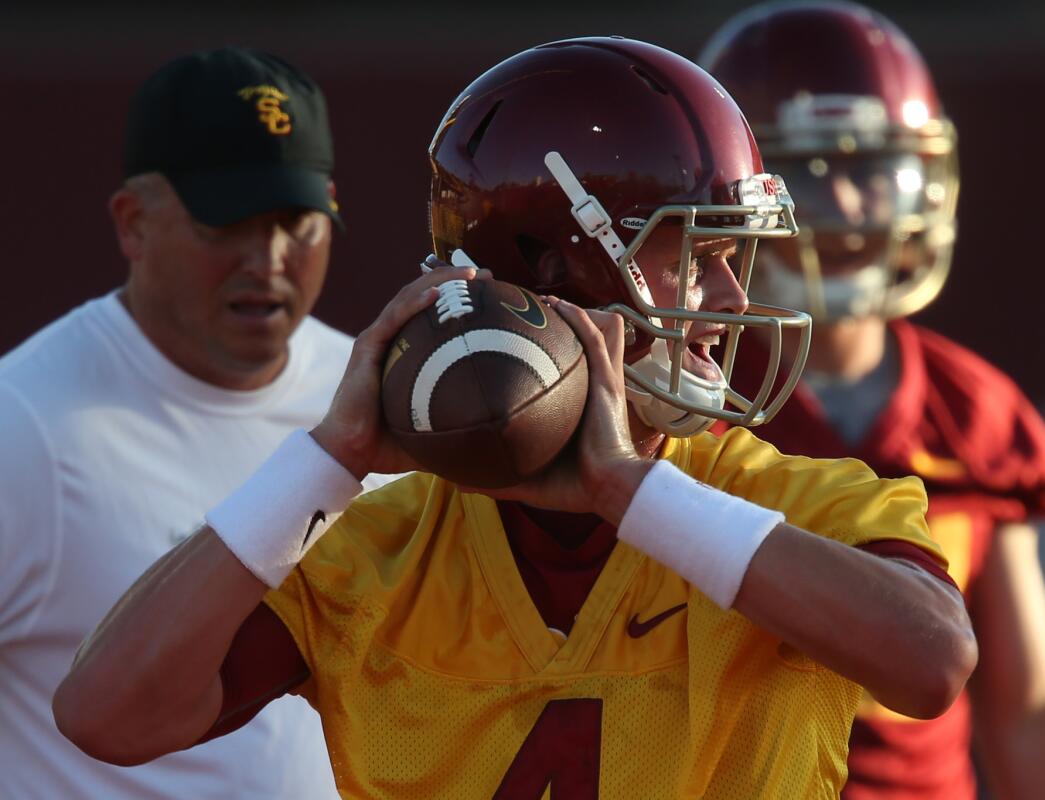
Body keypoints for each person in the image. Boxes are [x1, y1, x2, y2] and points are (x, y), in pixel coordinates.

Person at [53, 38, 977, 799]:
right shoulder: (373, 548)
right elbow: (108, 715)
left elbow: (931, 660)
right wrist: (326, 459)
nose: (731, 296)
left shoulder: (785, 500)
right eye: (694, 256)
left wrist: (631, 491)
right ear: (556, 268)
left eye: (735, 255)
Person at [699, 4, 1045, 798]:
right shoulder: (684, 386)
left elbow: (1029, 709)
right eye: (809, 173)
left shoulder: (972, 409)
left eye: (872, 170)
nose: (852, 208)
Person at [0, 47, 352, 797]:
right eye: (228, 221)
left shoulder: (376, 396)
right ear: (133, 223)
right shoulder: (23, 423)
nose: (270, 258)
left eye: (299, 221)